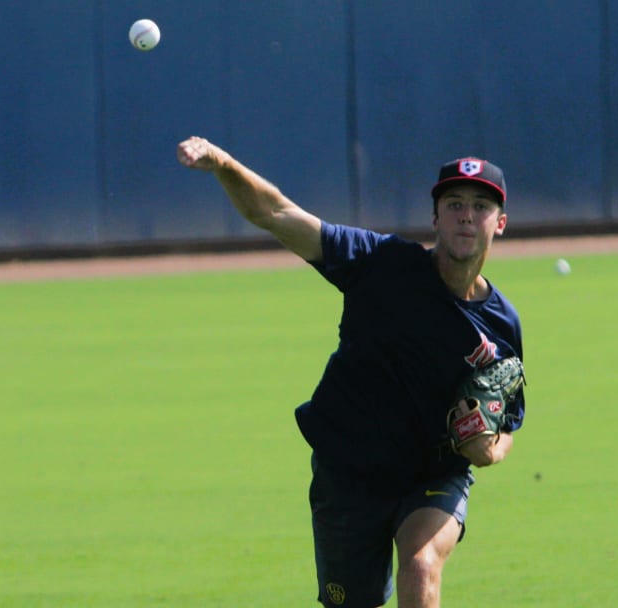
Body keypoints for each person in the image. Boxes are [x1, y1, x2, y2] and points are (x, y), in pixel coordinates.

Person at [177, 136, 526, 608]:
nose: (467, 214)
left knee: (422, 562)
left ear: (499, 222)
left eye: (481, 206)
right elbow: (276, 214)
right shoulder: (380, 264)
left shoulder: (502, 324)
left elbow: (507, 423)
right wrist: (223, 164)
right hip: (350, 469)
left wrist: (490, 450)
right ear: (435, 217)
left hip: (434, 472)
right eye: (455, 203)